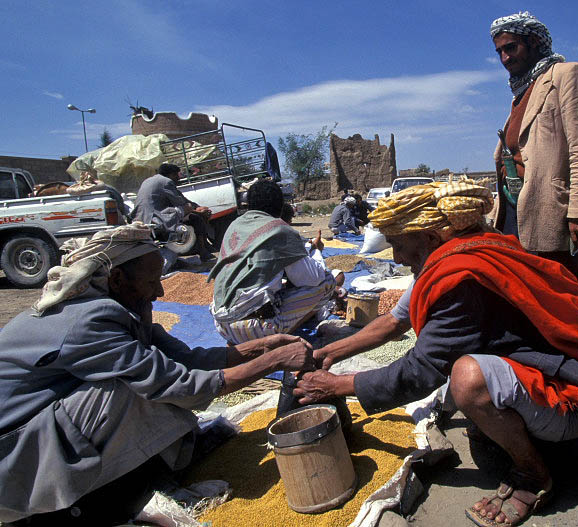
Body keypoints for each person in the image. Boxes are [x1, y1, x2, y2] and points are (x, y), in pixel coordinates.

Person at [295, 179, 578, 527]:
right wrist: (327, 354)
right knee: (460, 376)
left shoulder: (461, 276)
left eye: (398, 246)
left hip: (567, 403)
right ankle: (505, 420)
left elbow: (420, 371)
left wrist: (334, 386)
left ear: (431, 238)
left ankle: (534, 475)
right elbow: (393, 322)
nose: (396, 258)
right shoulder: (449, 254)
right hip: (534, 379)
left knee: (466, 377)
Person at [0, 223, 313, 525]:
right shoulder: (92, 319)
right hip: (14, 462)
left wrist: (264, 346)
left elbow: (190, 358)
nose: (161, 290)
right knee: (132, 389)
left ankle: (163, 462)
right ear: (118, 279)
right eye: (152, 283)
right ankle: (91, 504)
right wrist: (274, 362)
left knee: (153, 373)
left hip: (37, 432)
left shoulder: (115, 306)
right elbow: (175, 383)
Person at [489, 12, 578, 350]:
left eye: (511, 48)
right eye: (500, 52)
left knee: (560, 289)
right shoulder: (522, 91)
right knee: (526, 288)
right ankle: (541, 358)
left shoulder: (568, 75)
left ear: (535, 42)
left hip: (549, 204)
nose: (505, 58)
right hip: (515, 206)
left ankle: (573, 360)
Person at [209, 179, 338, 345]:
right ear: (280, 206)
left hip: (221, 325)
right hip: (253, 328)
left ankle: (241, 341)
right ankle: (278, 340)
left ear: (248, 204)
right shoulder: (279, 229)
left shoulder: (234, 225)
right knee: (327, 282)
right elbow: (312, 279)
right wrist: (317, 251)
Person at [132, 163, 215, 261]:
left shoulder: (151, 180)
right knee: (195, 217)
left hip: (140, 216)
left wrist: (197, 207)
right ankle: (203, 251)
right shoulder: (166, 182)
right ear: (170, 174)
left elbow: (182, 198)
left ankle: (204, 246)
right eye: (176, 175)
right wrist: (200, 212)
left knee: (191, 210)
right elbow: (181, 202)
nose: (178, 178)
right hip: (155, 217)